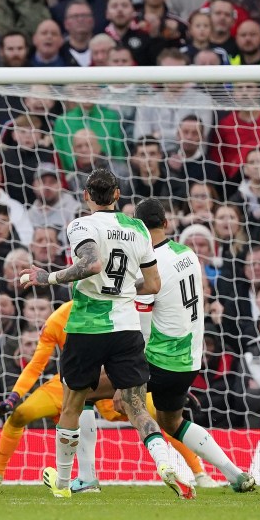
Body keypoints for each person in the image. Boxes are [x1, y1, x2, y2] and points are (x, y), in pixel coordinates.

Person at [22, 168, 189, 500]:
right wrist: (127, 287)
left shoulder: (82, 225)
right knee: (137, 406)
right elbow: (153, 285)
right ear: (117, 195)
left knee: (72, 403)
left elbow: (92, 264)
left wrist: (48, 278)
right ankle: (164, 461)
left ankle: (65, 483)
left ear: (86, 196)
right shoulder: (138, 227)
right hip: (126, 328)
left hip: (87, 327)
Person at [0, 300, 218, 492]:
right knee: (21, 414)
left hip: (111, 381)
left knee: (160, 415)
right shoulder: (58, 318)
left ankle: (199, 473)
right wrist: (14, 396)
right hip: (68, 383)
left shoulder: (120, 310)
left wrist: (168, 387)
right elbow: (36, 364)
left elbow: (142, 353)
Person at [132, 198, 255, 492]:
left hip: (159, 358)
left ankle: (162, 466)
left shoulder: (150, 266)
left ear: (138, 229)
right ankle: (235, 473)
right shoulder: (187, 254)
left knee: (86, 389)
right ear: (166, 223)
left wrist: (133, 362)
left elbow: (144, 320)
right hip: (190, 360)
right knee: (171, 421)